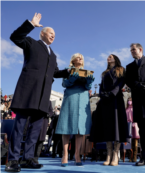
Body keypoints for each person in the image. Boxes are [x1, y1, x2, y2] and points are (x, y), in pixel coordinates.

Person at [5, 13, 70, 172]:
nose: (53, 35)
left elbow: (54, 72)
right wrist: (31, 24)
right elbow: (15, 37)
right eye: (50, 33)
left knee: (35, 131)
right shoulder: (31, 43)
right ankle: (12, 160)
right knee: (19, 127)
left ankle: (28, 159)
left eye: (55, 34)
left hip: (42, 97)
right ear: (42, 34)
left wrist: (68, 72)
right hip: (27, 92)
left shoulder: (53, 55)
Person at [55, 53, 94, 166]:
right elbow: (64, 84)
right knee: (66, 126)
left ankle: (77, 155)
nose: (80, 58)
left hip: (83, 98)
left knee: (80, 128)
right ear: (73, 60)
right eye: (78, 57)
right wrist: (71, 80)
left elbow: (88, 87)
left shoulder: (86, 72)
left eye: (82, 57)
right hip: (70, 97)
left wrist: (89, 82)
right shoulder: (68, 70)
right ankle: (65, 154)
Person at [90, 54, 128, 166]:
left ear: (115, 59)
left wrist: (113, 93)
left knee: (116, 126)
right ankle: (109, 154)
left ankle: (115, 154)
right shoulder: (104, 72)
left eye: (110, 56)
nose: (108, 58)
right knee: (107, 127)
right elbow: (101, 86)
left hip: (116, 99)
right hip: (105, 101)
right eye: (108, 57)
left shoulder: (121, 69)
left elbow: (121, 82)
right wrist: (102, 95)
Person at [126, 97, 140, 162]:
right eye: (128, 100)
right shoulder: (126, 109)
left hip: (135, 125)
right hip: (129, 126)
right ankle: (130, 157)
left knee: (135, 142)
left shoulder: (134, 108)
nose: (129, 101)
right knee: (130, 142)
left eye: (130, 100)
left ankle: (134, 156)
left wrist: (135, 122)